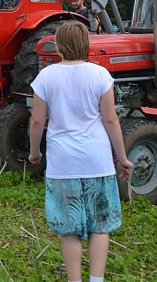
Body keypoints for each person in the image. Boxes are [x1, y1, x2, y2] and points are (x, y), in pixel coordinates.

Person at [28, 21, 133, 282]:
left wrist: (34, 152)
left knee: (70, 227)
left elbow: (38, 120)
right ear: (87, 44)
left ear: (59, 46)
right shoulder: (100, 75)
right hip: (97, 160)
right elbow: (110, 120)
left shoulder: (46, 77)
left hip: (63, 163)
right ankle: (96, 279)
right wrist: (122, 157)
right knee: (100, 225)